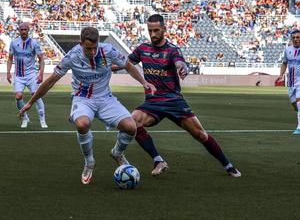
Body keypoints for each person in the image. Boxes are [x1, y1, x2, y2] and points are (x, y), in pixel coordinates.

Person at [19, 27, 156, 185]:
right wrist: (30, 102)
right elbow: (50, 81)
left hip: (105, 98)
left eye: (94, 48)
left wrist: (144, 82)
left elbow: (129, 66)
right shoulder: (72, 56)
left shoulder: (108, 50)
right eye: (88, 49)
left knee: (131, 127)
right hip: (83, 99)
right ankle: (89, 162)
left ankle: (117, 153)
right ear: (80, 43)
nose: (92, 52)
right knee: (82, 124)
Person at [129, 14, 241, 177]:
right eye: (150, 30)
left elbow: (180, 62)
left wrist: (182, 68)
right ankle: (158, 160)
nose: (153, 34)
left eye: (156, 30)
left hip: (174, 101)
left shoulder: (172, 50)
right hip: (153, 102)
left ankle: (228, 165)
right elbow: (125, 63)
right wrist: (104, 66)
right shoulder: (142, 49)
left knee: (200, 135)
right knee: (133, 121)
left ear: (164, 29)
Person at [7, 22, 48, 128]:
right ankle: (25, 118)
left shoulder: (34, 43)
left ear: (28, 30)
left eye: (25, 29)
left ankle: (42, 120)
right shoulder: (14, 43)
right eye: (22, 29)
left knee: (36, 95)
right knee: (18, 96)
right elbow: (10, 58)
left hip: (31, 75)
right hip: (19, 75)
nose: (24, 31)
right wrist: (8, 72)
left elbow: (41, 59)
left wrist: (41, 74)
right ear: (19, 31)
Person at [278, 29, 300, 135]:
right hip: (291, 81)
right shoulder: (287, 50)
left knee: (299, 103)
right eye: (294, 37)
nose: (295, 39)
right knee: (294, 104)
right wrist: (281, 75)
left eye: (298, 37)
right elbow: (284, 63)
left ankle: (299, 128)